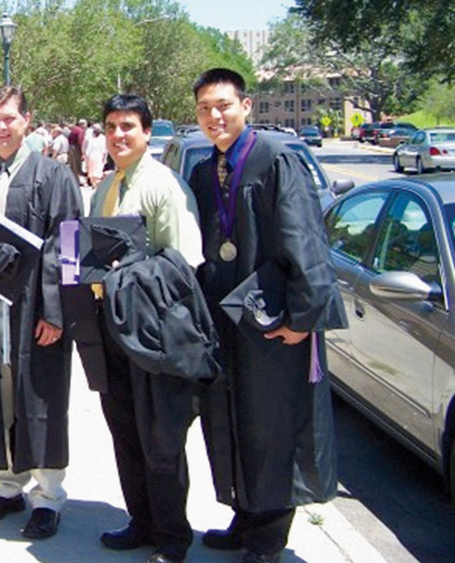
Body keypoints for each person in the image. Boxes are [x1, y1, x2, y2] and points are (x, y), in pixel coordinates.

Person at [188, 68, 341, 563]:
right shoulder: (206, 170)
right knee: (233, 419)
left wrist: (302, 317)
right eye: (205, 108)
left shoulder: (277, 160)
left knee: (273, 425)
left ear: (246, 106)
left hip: (275, 323)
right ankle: (245, 514)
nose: (215, 116)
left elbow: (305, 240)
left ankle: (269, 537)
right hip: (228, 319)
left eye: (223, 106)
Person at [84, 94, 204, 563]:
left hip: (151, 332)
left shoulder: (161, 186)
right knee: (125, 430)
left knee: (161, 437)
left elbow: (185, 262)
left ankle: (173, 537)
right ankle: (141, 521)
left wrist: (133, 273)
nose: (118, 135)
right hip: (109, 327)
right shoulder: (106, 186)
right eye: (111, 126)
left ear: (148, 133)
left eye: (128, 126)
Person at [0, 86, 82, 540]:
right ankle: (5, 487)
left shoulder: (54, 176)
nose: (1, 127)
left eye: (9, 118)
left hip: (36, 310)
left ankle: (48, 497)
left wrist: (56, 312)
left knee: (42, 395)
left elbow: (68, 247)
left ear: (27, 120)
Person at [83, 123, 107, 187]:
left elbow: (105, 149)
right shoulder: (91, 138)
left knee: (97, 173)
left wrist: (104, 158)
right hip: (91, 157)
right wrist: (86, 157)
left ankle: (97, 184)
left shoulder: (103, 138)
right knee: (91, 173)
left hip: (99, 157)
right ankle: (94, 184)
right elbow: (88, 149)